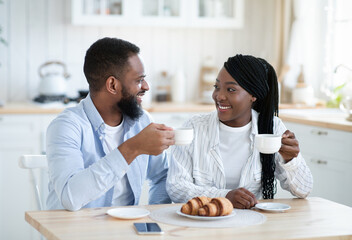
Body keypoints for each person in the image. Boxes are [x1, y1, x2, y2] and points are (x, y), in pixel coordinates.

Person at [166, 54, 313, 209]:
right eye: (217, 87)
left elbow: (303, 191)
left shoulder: (272, 128)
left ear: (253, 95)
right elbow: (176, 187)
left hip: (253, 224)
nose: (219, 96)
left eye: (231, 89)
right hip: (204, 222)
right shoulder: (195, 127)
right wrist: (224, 197)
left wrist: (291, 161)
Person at [46, 37, 175, 211]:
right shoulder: (66, 126)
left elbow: (163, 176)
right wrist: (132, 148)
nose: (146, 86)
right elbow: (70, 197)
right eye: (138, 80)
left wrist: (153, 215)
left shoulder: (142, 121)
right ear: (112, 85)